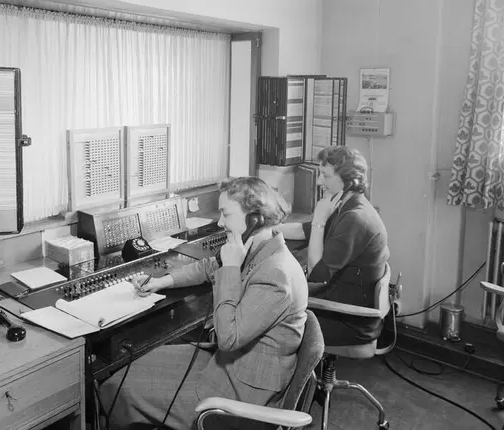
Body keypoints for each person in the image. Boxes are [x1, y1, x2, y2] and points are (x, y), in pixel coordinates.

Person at [99, 176, 310, 429]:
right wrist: (162, 281)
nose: (220, 223)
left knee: (119, 387)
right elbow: (209, 266)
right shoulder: (263, 247)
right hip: (233, 364)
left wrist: (231, 268)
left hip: (241, 392)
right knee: (134, 366)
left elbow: (228, 338)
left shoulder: (276, 274)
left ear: (254, 219)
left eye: (225, 214)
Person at [276, 145, 389, 346]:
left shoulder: (355, 218)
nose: (319, 181)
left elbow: (316, 273)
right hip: (341, 301)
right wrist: (268, 229)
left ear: (349, 180)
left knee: (271, 321)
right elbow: (304, 230)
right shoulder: (349, 204)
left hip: (348, 319)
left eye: (326, 176)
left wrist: (319, 219)